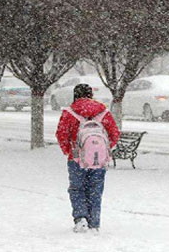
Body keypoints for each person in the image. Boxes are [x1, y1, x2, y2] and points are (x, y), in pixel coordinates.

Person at [56, 83, 120, 233]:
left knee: (77, 189)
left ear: (75, 95)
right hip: (99, 161)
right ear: (91, 95)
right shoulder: (103, 112)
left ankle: (80, 218)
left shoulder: (70, 112)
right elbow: (114, 133)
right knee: (95, 190)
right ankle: (94, 222)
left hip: (77, 158)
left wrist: (69, 151)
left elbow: (61, 134)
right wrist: (103, 149)